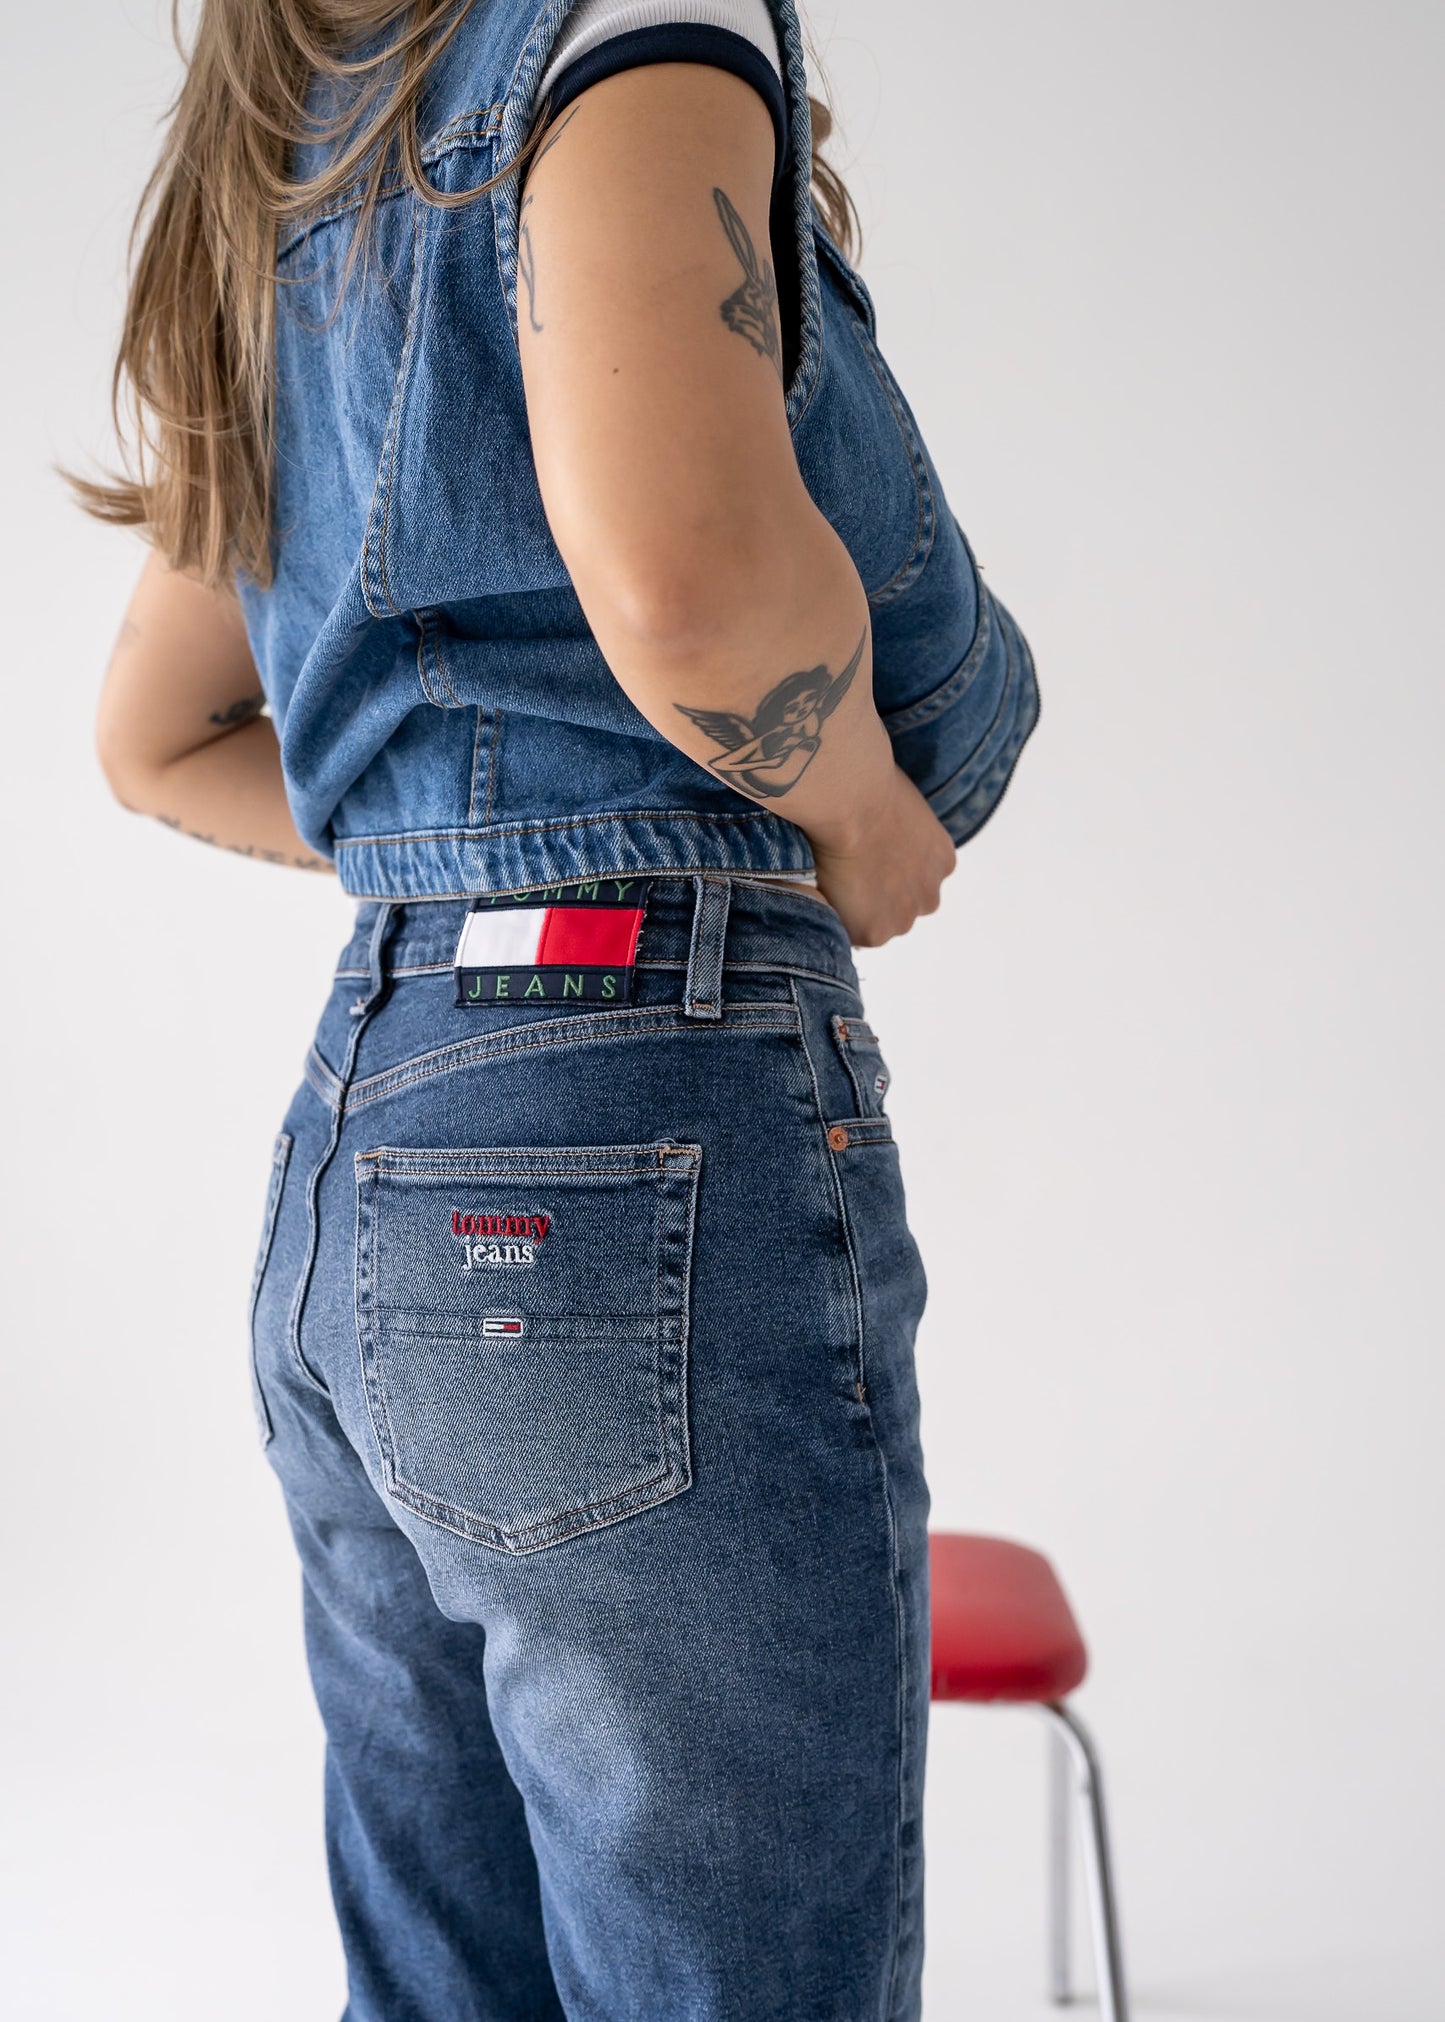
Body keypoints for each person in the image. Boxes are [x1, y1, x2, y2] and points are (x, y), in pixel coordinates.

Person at [80, 1, 1040, 2014]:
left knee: (452, 1984)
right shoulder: (610, 23)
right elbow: (685, 582)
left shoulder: (300, 163)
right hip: (638, 1102)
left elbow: (158, 738)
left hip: (371, 1127)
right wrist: (856, 818)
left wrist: (461, 875)